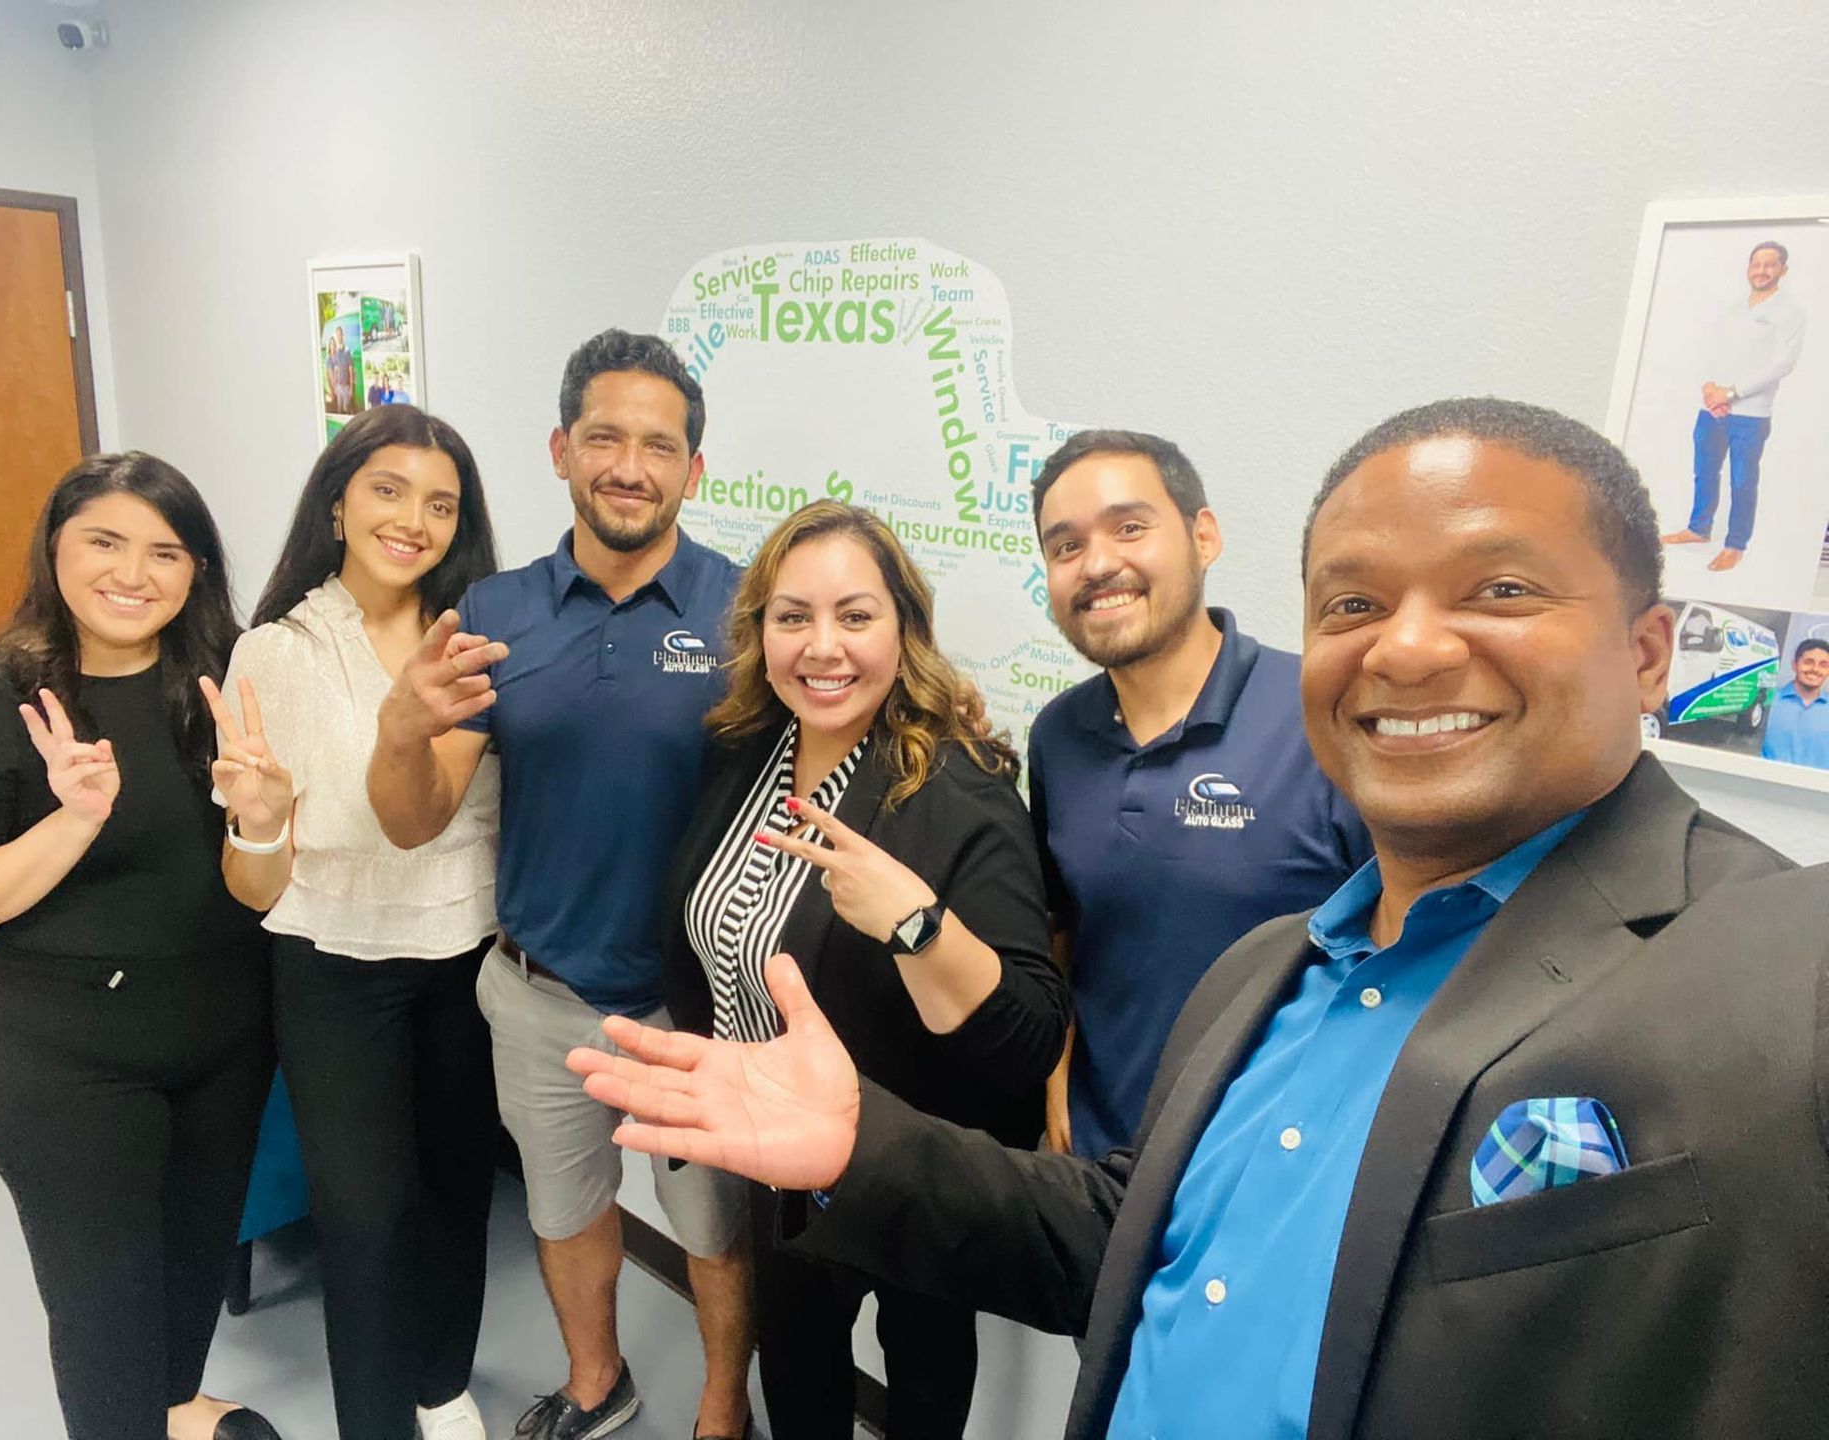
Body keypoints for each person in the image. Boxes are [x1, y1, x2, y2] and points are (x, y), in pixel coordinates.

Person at [570, 397, 1829, 1440]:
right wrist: (862, 1147)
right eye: (1352, 605)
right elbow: (1127, 1227)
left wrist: (915, 940)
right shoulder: (1265, 969)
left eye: (1499, 590)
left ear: (1652, 651)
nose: (1410, 649)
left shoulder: (1771, 969)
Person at [368, 329, 755, 1440]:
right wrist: (403, 724)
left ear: (694, 468)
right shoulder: (494, 612)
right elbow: (414, 818)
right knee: (565, 1207)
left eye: (659, 444)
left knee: (713, 1225)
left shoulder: (746, 612)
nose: (629, 464)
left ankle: (722, 1410)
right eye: (604, 437)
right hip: (540, 992)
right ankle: (599, 1383)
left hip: (696, 1010)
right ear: (559, 449)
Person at [660, 501, 1067, 1438]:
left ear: (903, 629)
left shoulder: (960, 785)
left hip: (906, 1158)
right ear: (759, 631)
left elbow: (1027, 1033)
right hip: (777, 1159)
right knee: (797, 1371)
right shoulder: (741, 752)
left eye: (855, 615)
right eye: (792, 616)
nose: (822, 647)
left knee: (923, 1371)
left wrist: (915, 924)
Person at [0, 454, 284, 1440]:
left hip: (222, 1040)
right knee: (106, 1322)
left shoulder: (220, 686)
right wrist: (70, 822)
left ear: (197, 569)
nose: (135, 573)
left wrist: (265, 819)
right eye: (105, 542)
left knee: (190, 1281)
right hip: (61, 1062)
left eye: (166, 551)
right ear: (56, 551)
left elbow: (256, 886)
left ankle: (179, 1409)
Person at [210, 406, 502, 1440]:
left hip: (463, 950)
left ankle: (440, 1379)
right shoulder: (274, 653)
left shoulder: (472, 640)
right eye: (387, 489)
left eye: (440, 502)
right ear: (336, 502)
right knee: (366, 1219)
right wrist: (257, 828)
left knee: (459, 1186)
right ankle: (374, 1420)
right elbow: (255, 885)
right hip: (330, 961)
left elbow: (428, 819)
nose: (412, 519)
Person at [1028, 429, 1369, 1158]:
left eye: (1129, 528)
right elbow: (1064, 927)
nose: (1098, 564)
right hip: (1099, 1159)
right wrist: (1057, 1069)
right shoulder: (1057, 736)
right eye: (1065, 546)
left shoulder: (1324, 717)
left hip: (1269, 1169)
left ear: (1203, 536)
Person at [1661, 240, 1808, 571]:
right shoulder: (1734, 308)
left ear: (1783, 270)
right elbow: (1714, 351)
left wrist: (1733, 392)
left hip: (1750, 414)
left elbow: (1784, 363)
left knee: (1742, 481)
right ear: (1748, 268)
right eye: (1756, 264)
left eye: (1770, 264)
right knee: (1705, 471)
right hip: (1713, 410)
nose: (1761, 270)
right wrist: (1710, 387)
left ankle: (1735, 544)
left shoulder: (1789, 311)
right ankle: (1699, 528)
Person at [1761, 635, 1829, 769]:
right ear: (1794, 665)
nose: (1815, 669)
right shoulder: (1768, 702)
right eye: (1808, 662)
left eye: (1823, 665)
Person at [333, 325, 356, 414]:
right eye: (337, 335)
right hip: (338, 387)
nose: (339, 336)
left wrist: (351, 388)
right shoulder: (336, 352)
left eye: (340, 334)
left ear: (343, 335)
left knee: (346, 410)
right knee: (339, 410)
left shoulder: (347, 351)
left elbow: (350, 371)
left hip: (346, 387)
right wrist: (335, 386)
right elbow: (336, 369)